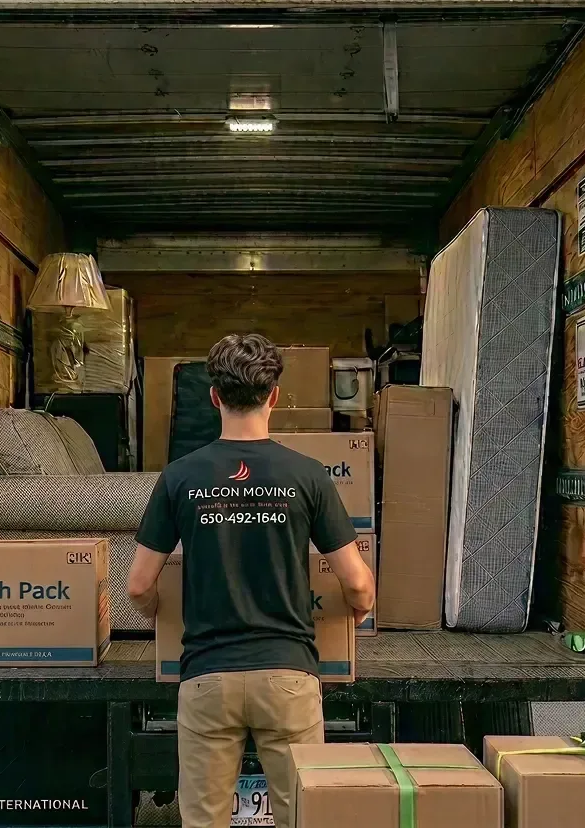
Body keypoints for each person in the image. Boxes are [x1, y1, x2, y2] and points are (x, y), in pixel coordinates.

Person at [127, 333, 376, 828]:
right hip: (288, 677)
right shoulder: (307, 475)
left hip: (207, 679)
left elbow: (137, 585)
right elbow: (358, 583)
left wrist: (157, 609)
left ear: (215, 396)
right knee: (303, 817)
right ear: (274, 396)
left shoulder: (179, 476)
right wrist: (358, 608)